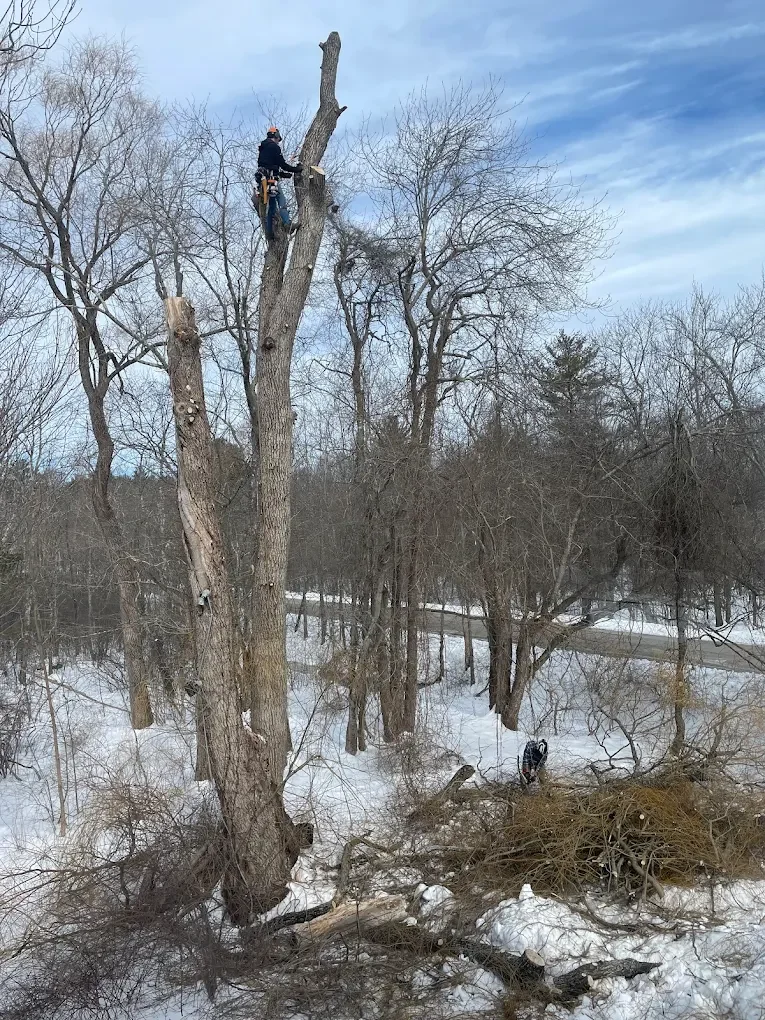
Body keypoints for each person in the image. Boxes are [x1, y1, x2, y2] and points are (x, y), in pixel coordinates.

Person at [256, 126, 303, 240]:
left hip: (263, 179)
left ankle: (269, 233)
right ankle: (287, 224)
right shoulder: (274, 147)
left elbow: (270, 165)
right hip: (270, 179)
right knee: (281, 200)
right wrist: (296, 169)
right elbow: (282, 164)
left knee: (271, 207)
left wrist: (283, 175)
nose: (278, 141)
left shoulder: (263, 148)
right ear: (275, 136)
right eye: (278, 138)